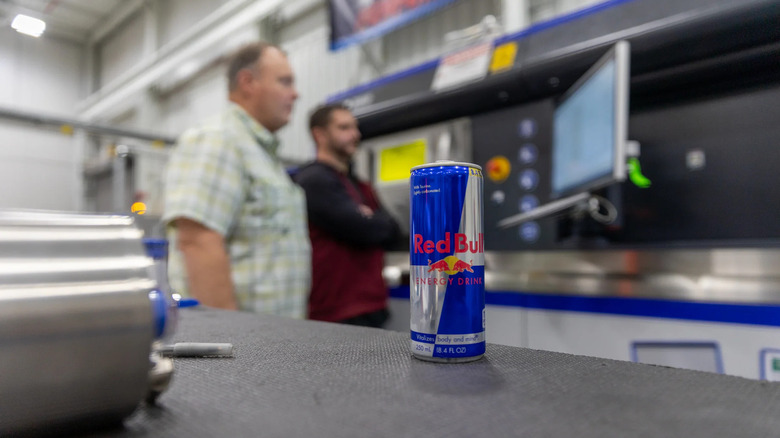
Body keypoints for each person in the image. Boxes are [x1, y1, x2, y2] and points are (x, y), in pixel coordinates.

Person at [162, 42, 310, 318]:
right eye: (284, 81)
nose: (295, 93)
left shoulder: (259, 153)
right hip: (243, 340)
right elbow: (199, 242)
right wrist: (230, 339)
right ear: (248, 82)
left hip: (273, 335)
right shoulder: (219, 139)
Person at [294, 103, 400, 327]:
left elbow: (392, 231)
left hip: (373, 305)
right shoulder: (314, 180)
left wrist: (369, 219)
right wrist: (368, 220)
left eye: (355, 127)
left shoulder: (359, 184)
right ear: (320, 135)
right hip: (336, 313)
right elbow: (364, 229)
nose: (355, 134)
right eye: (344, 128)